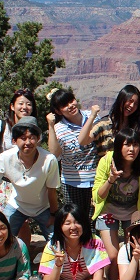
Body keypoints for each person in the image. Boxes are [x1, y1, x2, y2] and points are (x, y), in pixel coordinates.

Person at [92, 128, 140, 280]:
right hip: (108, 211)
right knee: (112, 255)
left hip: (133, 212)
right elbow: (98, 196)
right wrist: (111, 179)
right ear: (119, 146)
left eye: (136, 144)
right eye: (127, 144)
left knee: (133, 251)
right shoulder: (106, 162)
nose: (132, 149)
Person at [0, 116, 60, 243]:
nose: (28, 142)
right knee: (2, 239)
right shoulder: (6, 158)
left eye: (32, 138)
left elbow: (52, 190)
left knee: (57, 242)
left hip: (43, 207)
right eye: (23, 138)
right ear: (14, 140)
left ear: (38, 139)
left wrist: (53, 215)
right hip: (17, 205)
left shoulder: (49, 160)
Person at [38, 204, 110, 280]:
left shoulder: (94, 242)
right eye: (67, 223)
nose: (73, 227)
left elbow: (99, 275)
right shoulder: (53, 246)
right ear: (60, 227)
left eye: (77, 222)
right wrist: (57, 265)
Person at [0, 88, 38, 230]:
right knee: (0, 222)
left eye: (29, 104)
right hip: (3, 184)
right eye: (21, 103)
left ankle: (23, 251)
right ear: (12, 106)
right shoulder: (2, 125)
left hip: (23, 183)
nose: (25, 107)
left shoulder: (34, 128)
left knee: (23, 224)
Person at [46, 88, 100, 223]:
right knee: (76, 221)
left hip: (96, 181)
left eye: (71, 101)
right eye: (64, 105)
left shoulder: (93, 116)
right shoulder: (59, 129)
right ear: (58, 111)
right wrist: (51, 126)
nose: (70, 106)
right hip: (71, 183)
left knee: (95, 222)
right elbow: (54, 154)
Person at [78, 84, 140, 156]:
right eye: (130, 101)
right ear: (121, 99)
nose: (132, 106)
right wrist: (92, 116)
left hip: (135, 170)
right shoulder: (103, 125)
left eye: (136, 104)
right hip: (108, 169)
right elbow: (83, 141)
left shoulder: (139, 126)